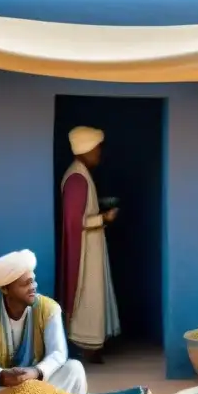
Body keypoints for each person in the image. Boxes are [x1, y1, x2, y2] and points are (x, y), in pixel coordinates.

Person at [0, 250, 87, 394]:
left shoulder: (49, 309)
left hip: (39, 382)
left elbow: (58, 353)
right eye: (26, 284)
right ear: (5, 289)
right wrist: (1, 376)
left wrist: (35, 372)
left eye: (33, 280)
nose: (34, 286)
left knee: (74, 369)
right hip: (2, 384)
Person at [57, 126, 121, 363]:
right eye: (96, 149)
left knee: (93, 295)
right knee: (87, 295)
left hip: (91, 247)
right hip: (84, 252)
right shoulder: (76, 177)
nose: (99, 154)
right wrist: (104, 218)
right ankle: (86, 345)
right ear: (85, 150)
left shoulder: (81, 174)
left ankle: (92, 346)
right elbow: (76, 221)